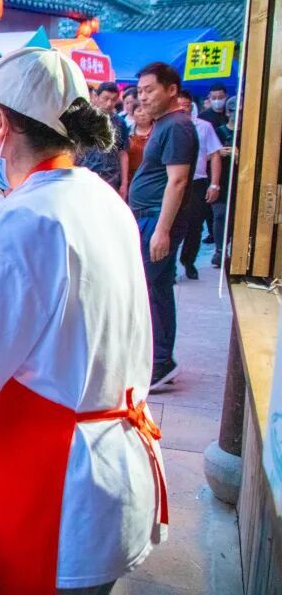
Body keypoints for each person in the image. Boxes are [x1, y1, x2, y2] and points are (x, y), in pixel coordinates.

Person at [0, 48, 163, 595]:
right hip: (115, 464)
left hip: (56, 485)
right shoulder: (101, 197)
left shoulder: (18, 220)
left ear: (0, 124)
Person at [129, 62, 198, 387]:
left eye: (149, 90)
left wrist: (162, 230)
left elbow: (178, 180)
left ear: (171, 90)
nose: (142, 97)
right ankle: (160, 359)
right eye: (140, 91)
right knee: (157, 288)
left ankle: (158, 362)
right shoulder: (165, 124)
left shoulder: (177, 126)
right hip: (149, 216)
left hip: (157, 218)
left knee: (147, 288)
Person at [174, 89, 222, 280]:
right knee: (171, 224)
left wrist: (214, 184)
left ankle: (188, 261)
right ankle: (169, 268)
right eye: (179, 105)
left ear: (191, 106)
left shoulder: (204, 127)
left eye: (185, 105)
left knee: (194, 226)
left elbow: (215, 155)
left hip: (196, 183)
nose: (182, 109)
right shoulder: (167, 125)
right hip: (172, 182)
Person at [76, 81, 130, 198]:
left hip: (110, 178)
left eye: (113, 100)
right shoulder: (82, 120)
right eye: (105, 98)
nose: (109, 103)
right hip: (84, 174)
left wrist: (124, 183)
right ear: (96, 96)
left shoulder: (120, 123)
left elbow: (123, 153)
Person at [211, 96, 238, 268]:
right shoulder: (218, 132)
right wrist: (218, 153)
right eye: (234, 111)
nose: (237, 115)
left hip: (240, 183)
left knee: (237, 218)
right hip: (221, 180)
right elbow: (206, 155)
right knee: (220, 216)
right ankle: (220, 250)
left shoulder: (249, 134)